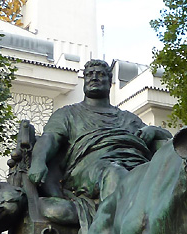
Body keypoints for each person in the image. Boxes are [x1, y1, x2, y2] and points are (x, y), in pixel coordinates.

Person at [28, 59, 172, 203]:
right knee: (114, 173)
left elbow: (170, 139)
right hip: (93, 168)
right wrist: (38, 161)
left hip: (137, 164)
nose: (94, 77)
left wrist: (153, 130)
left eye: (100, 74)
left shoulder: (128, 118)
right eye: (89, 74)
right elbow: (50, 138)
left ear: (110, 82)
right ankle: (114, 223)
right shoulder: (67, 114)